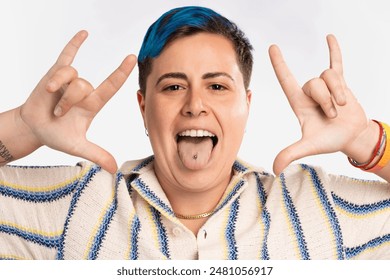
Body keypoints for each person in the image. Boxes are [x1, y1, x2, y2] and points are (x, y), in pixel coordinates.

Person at [0, 6, 389, 260]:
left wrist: (367, 141)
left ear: (247, 105)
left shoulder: (315, 210)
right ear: (143, 108)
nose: (195, 105)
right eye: (172, 86)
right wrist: (21, 127)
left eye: (217, 86)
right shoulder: (77, 207)